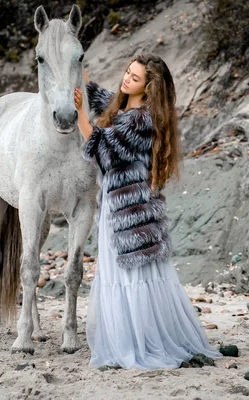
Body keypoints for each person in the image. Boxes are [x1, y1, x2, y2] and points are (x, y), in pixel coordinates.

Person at [74, 54, 222, 370]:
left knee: (131, 274)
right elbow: (102, 98)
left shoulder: (142, 119)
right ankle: (132, 339)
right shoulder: (124, 106)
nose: (127, 79)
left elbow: (103, 149)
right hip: (116, 203)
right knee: (123, 273)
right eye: (127, 72)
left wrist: (79, 117)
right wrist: (81, 76)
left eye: (135, 77)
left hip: (130, 208)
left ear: (149, 87)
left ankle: (137, 344)